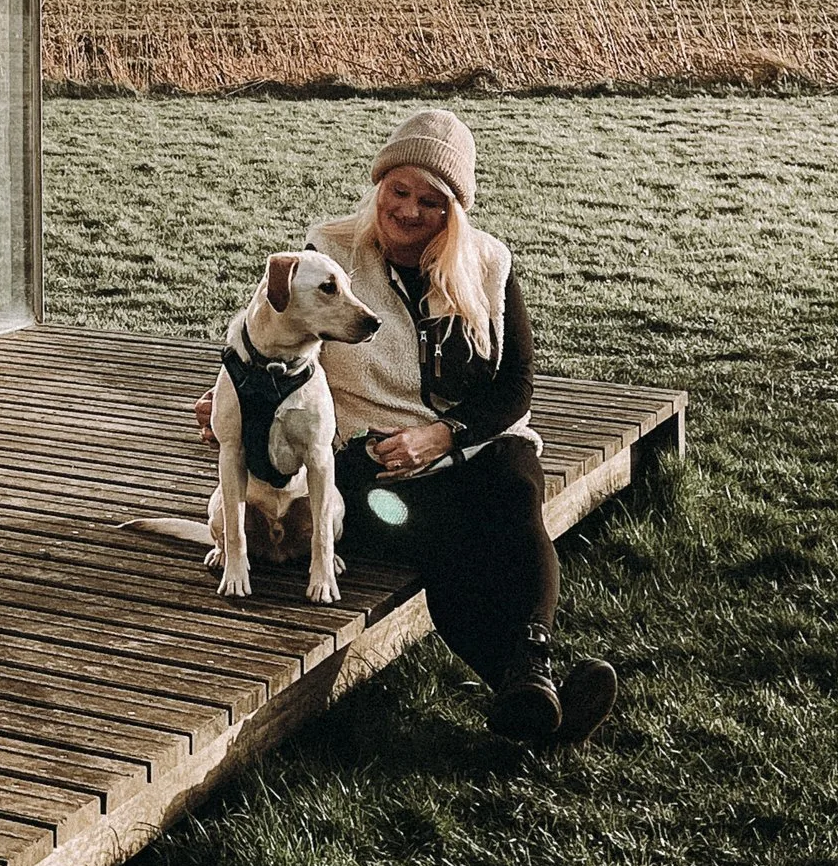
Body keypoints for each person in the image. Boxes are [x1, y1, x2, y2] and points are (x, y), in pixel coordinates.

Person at [208, 107, 617, 749]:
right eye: (398, 190)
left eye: (431, 201)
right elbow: (274, 330)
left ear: (455, 210)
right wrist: (232, 391)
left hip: (467, 450)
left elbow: (515, 388)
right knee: (447, 538)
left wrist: (444, 436)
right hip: (370, 472)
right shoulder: (331, 251)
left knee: (516, 484)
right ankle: (528, 687)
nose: (408, 210)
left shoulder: (488, 263)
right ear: (379, 184)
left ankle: (531, 669)